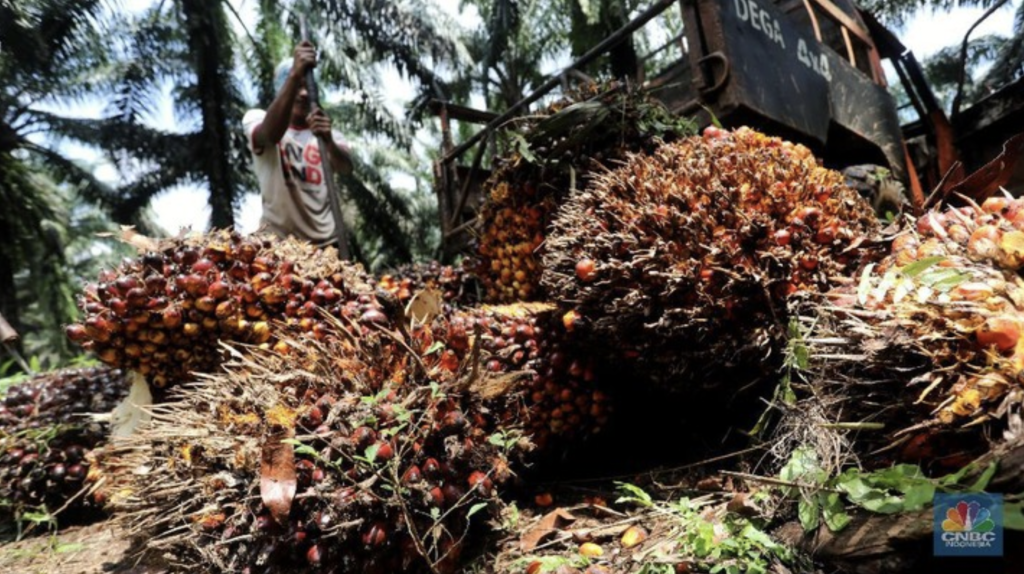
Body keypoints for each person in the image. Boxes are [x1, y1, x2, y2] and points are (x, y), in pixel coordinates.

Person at [243, 41, 354, 248]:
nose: (303, 94)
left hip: (325, 245)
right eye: (297, 86)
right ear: (284, 88)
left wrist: (329, 141)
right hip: (276, 244)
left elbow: (346, 167)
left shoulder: (329, 135)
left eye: (308, 87)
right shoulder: (258, 119)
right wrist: (296, 73)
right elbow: (269, 136)